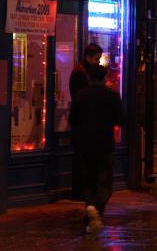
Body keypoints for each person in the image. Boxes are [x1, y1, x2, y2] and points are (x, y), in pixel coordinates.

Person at [68, 64, 124, 234]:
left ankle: (90, 214)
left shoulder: (80, 96)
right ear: (105, 77)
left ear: (89, 78)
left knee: (89, 182)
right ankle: (95, 209)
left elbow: (73, 121)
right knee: (105, 183)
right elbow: (121, 120)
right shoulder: (112, 96)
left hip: (84, 145)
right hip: (105, 145)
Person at [68, 43, 103, 200]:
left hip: (86, 124)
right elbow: (79, 100)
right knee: (81, 160)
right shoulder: (80, 74)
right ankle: (79, 191)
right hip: (83, 125)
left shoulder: (85, 72)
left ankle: (84, 190)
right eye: (96, 58)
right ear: (88, 57)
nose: (98, 61)